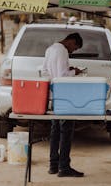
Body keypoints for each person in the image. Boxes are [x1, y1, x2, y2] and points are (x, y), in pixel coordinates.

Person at [42, 33, 85, 178]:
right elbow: (63, 76)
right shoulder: (62, 51)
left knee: (55, 131)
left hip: (54, 96)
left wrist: (64, 72)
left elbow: (45, 71)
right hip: (65, 97)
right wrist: (75, 71)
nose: (73, 51)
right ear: (71, 41)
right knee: (66, 131)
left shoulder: (50, 49)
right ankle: (64, 167)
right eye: (75, 48)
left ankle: (53, 165)